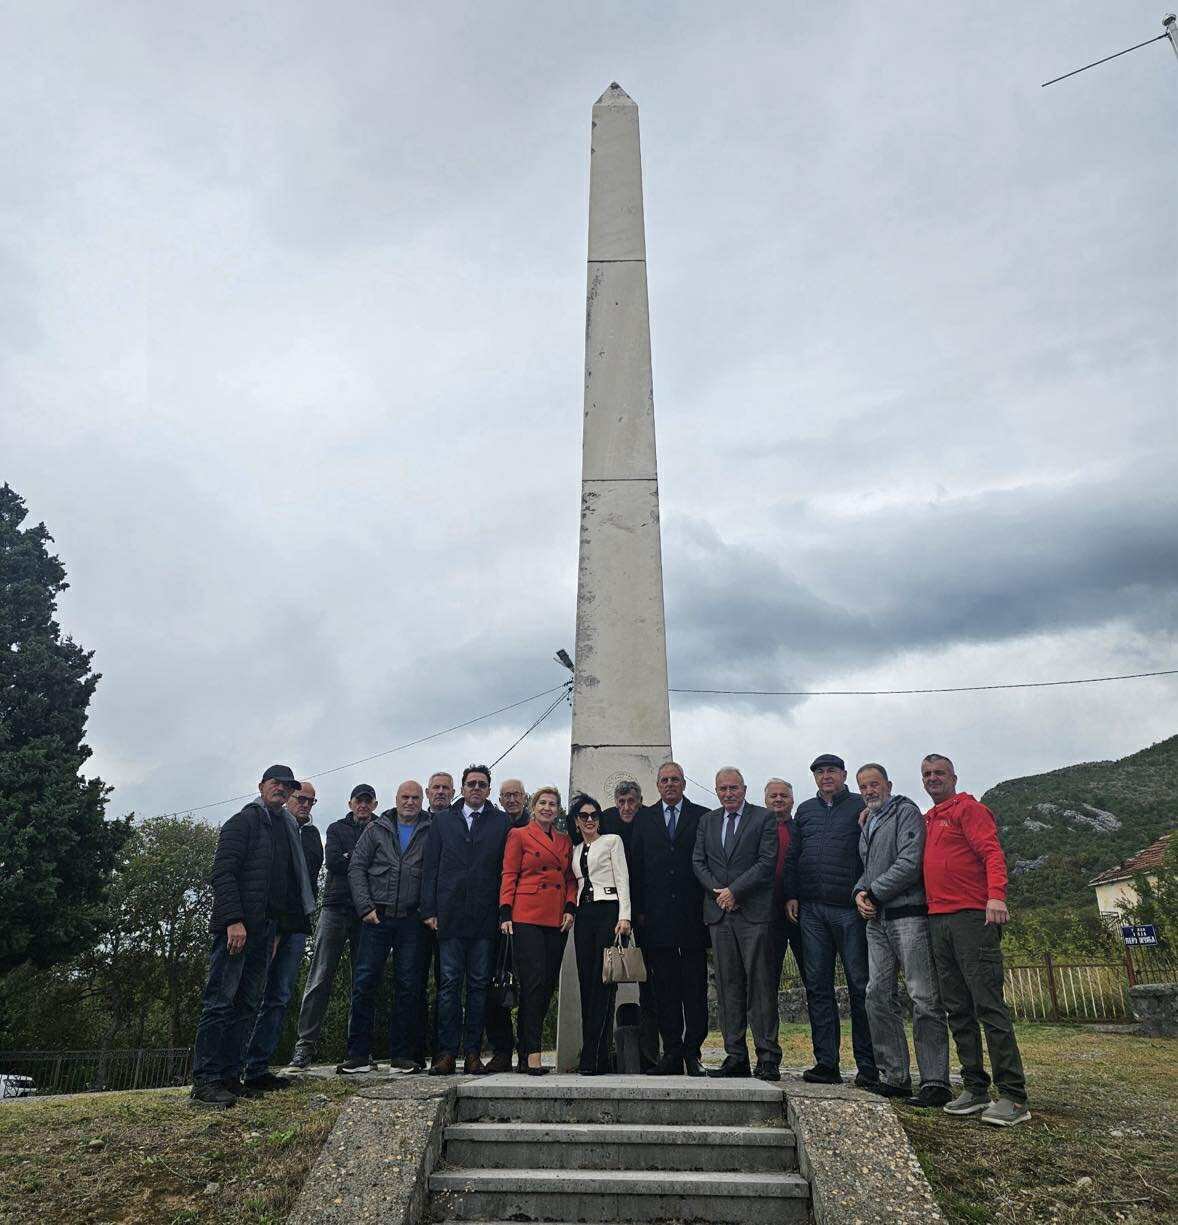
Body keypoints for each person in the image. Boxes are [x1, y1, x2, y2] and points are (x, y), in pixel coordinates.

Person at [191, 765, 315, 1108]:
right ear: (261, 786)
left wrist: (276, 928)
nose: (281, 789)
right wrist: (234, 920)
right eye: (275, 783)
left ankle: (230, 1077)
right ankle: (204, 1081)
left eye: (286, 785)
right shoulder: (242, 822)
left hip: (265, 931)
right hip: (237, 930)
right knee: (219, 1003)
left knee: (246, 1006)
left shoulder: (284, 828)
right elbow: (222, 872)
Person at [921, 754, 1030, 1126]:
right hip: (938, 920)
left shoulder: (970, 810)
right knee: (957, 1007)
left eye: (939, 773)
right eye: (926, 774)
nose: (932, 778)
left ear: (953, 776)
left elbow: (991, 853)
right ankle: (974, 1088)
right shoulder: (929, 819)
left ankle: (1013, 1096)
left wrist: (996, 895)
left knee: (988, 1005)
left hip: (972, 917)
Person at [851, 764, 951, 1107]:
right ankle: (895, 1076)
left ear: (888, 784)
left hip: (908, 916)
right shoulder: (868, 822)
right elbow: (866, 869)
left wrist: (874, 893)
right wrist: (860, 894)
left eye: (874, 784)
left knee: (923, 996)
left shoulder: (906, 813)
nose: (869, 791)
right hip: (876, 921)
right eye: (863, 786)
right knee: (876, 995)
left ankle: (936, 1081)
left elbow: (910, 862)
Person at [784, 754, 878, 1089]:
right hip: (811, 910)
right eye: (820, 772)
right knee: (818, 988)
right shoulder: (805, 811)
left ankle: (868, 1066)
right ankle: (826, 1063)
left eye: (832, 771)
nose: (826, 776)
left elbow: (874, 850)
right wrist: (792, 894)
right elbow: (794, 855)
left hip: (849, 909)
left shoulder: (858, 805)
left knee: (859, 986)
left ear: (843, 775)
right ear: (814, 777)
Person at [337, 780, 433, 1075]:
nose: (410, 802)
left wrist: (427, 911)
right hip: (376, 917)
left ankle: (402, 1056)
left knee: (409, 986)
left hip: (412, 919)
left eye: (415, 798)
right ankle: (358, 1055)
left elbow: (438, 871)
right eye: (405, 797)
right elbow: (356, 867)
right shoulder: (376, 829)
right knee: (365, 982)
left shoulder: (431, 830)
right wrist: (364, 906)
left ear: (422, 800)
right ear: (396, 799)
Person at [692, 767, 780, 1080]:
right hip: (719, 914)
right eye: (722, 789)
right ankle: (736, 1056)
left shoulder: (763, 818)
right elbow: (698, 862)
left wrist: (735, 891)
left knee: (760, 986)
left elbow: (766, 861)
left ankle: (767, 1057)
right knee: (728, 987)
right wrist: (719, 892)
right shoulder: (708, 821)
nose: (728, 794)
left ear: (744, 788)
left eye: (733, 788)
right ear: (716, 791)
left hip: (752, 913)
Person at [422, 764, 510, 1075]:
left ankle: (473, 1053)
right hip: (449, 917)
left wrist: (503, 913)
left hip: (485, 919)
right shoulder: (443, 821)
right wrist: (429, 910)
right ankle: (446, 1053)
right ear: (462, 788)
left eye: (481, 784)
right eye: (471, 783)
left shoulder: (501, 822)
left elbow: (505, 870)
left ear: (488, 789)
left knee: (478, 987)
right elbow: (431, 866)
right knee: (448, 986)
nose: (476, 788)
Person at [286, 784, 376, 1071]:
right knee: (320, 976)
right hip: (336, 906)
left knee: (362, 983)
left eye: (367, 802)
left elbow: (379, 864)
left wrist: (354, 857)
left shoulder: (381, 828)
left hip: (368, 911)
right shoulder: (336, 828)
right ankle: (304, 1047)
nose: (362, 806)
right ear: (350, 803)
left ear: (374, 804)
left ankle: (360, 1050)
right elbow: (335, 862)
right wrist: (363, 859)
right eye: (358, 801)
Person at [241, 780, 324, 1086]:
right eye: (301, 798)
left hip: (297, 924)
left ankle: (257, 1066)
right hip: (269, 923)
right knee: (250, 995)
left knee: (279, 997)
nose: (304, 804)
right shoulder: (269, 825)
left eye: (311, 802)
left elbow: (308, 880)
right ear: (288, 796)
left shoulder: (313, 835)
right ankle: (233, 1066)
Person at [629, 761, 709, 1076]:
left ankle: (694, 1052)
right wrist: (638, 915)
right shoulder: (645, 818)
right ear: (658, 785)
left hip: (693, 920)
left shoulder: (702, 816)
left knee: (695, 990)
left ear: (684, 783)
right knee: (664, 992)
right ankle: (672, 1052)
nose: (670, 784)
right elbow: (636, 868)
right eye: (664, 780)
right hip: (656, 921)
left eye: (675, 779)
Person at [499, 785, 577, 1075]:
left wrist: (571, 907)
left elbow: (570, 878)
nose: (547, 808)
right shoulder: (519, 835)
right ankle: (530, 1053)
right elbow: (509, 873)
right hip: (527, 914)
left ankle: (527, 1050)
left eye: (552, 804)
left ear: (558, 810)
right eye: (542, 803)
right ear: (534, 806)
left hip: (557, 917)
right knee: (531, 985)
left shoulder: (564, 840)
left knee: (546, 986)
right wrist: (505, 910)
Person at [569, 794, 631, 1075]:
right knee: (586, 983)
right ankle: (596, 1053)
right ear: (576, 821)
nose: (590, 820)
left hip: (609, 912)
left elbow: (622, 878)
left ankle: (594, 1055)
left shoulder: (612, 841)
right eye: (584, 816)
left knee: (604, 984)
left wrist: (624, 917)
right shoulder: (575, 849)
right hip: (584, 917)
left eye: (594, 815)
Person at [483, 779, 530, 1072]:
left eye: (517, 795)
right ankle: (502, 1050)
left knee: (529, 987)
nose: (512, 799)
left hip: (527, 917)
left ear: (525, 798)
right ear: (499, 799)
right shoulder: (494, 824)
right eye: (507, 795)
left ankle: (528, 1050)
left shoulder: (536, 826)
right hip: (494, 917)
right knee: (493, 985)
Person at [414, 771, 456, 1067]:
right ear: (428, 793)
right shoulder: (409, 820)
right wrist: (426, 910)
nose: (440, 792)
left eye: (445, 788)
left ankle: (444, 1050)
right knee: (414, 983)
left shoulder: (458, 821)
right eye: (436, 788)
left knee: (448, 984)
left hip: (450, 918)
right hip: (416, 916)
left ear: (453, 793)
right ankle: (414, 1051)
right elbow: (426, 870)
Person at [764, 778, 805, 991]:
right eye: (773, 796)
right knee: (769, 977)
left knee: (812, 973)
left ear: (792, 800)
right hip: (767, 912)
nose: (779, 799)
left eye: (784, 795)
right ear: (765, 800)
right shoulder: (756, 829)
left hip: (800, 909)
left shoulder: (801, 828)